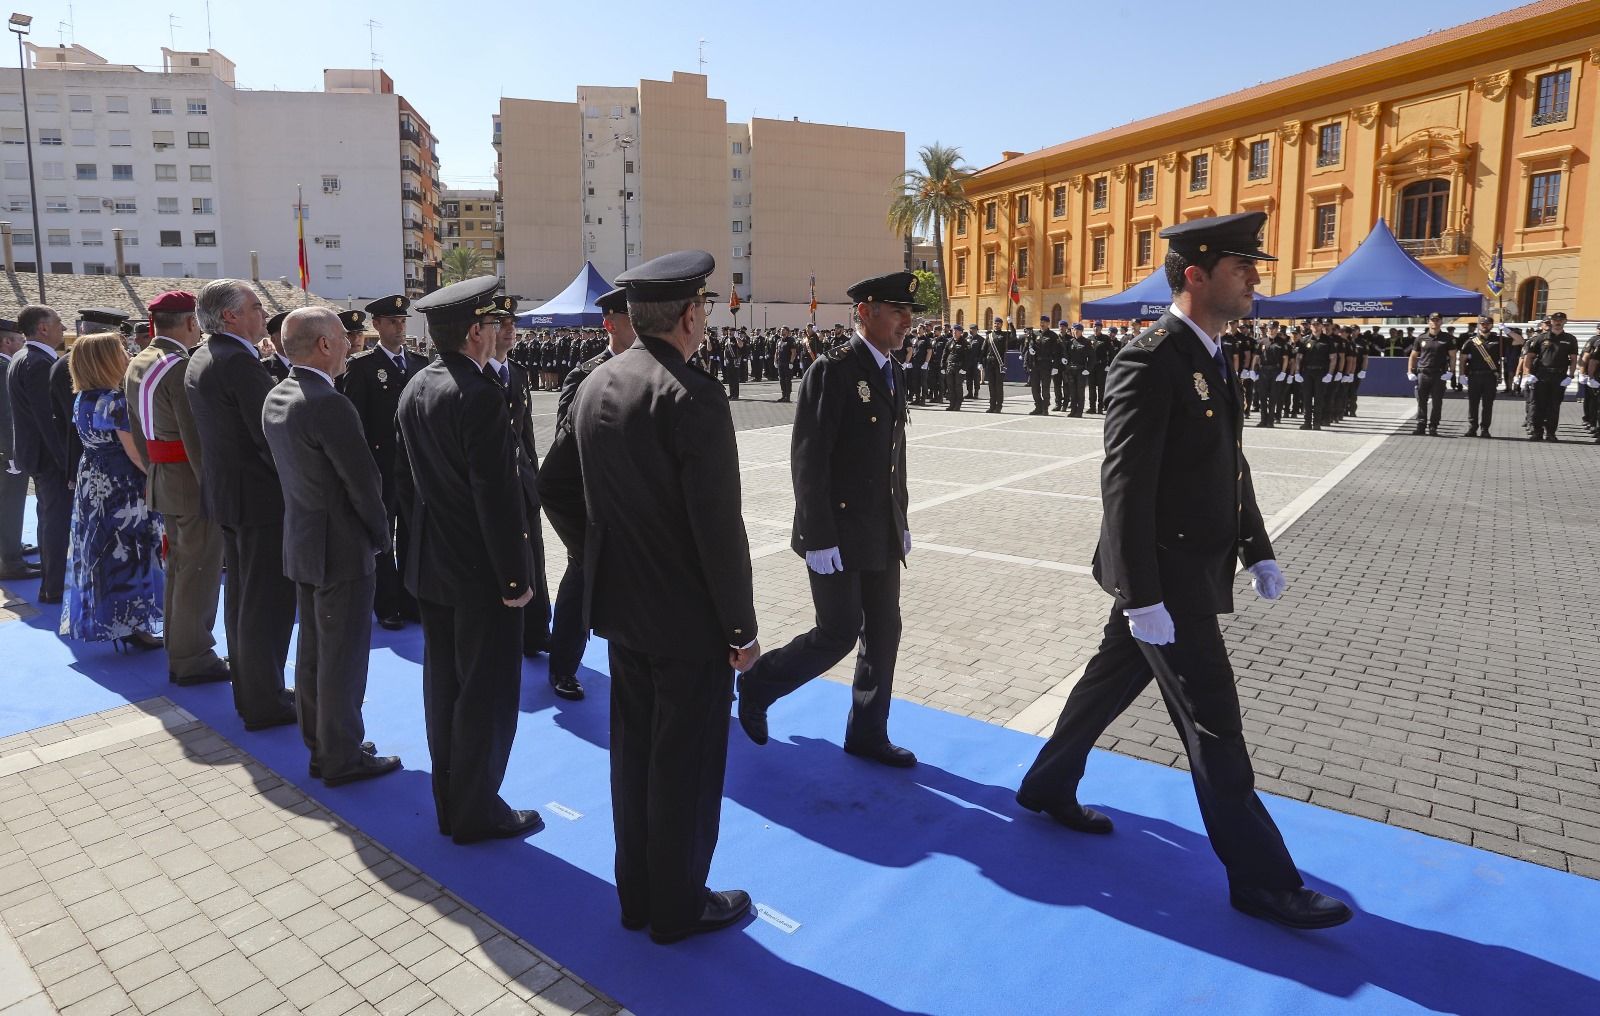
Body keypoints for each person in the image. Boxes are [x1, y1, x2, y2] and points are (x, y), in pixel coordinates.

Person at [1015, 212, 1351, 931]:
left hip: (1189, 572)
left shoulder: (1209, 352)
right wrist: (1141, 596)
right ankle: (1263, 881)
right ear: (1197, 274)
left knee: (1106, 684)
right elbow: (1126, 487)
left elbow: (1229, 464)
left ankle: (1047, 784)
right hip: (1166, 582)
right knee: (1215, 727)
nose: (1256, 276)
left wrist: (1256, 544)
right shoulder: (1150, 357)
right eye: (1242, 267)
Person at [540, 250, 757, 945]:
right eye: (705, 309)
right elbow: (718, 528)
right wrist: (741, 626)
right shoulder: (692, 395)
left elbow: (554, 488)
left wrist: (595, 552)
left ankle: (637, 894)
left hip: (622, 608)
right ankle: (677, 904)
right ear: (690, 315)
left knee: (632, 758)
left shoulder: (598, 381)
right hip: (688, 619)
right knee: (685, 767)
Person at [738, 270, 916, 767]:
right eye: (897, 310)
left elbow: (891, 460)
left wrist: (899, 520)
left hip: (879, 529)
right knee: (838, 632)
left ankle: (867, 732)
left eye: (910, 313)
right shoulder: (833, 370)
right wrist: (817, 534)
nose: (906, 321)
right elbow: (808, 459)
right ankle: (758, 684)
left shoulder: (893, 372)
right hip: (835, 531)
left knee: (884, 632)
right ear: (866, 311)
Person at [394, 275, 542, 845]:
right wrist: (515, 577)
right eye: (492, 324)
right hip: (480, 571)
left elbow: (410, 487)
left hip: (432, 563)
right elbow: (496, 496)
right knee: (486, 693)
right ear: (476, 331)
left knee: (445, 690)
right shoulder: (478, 394)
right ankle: (477, 809)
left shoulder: (416, 387)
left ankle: (452, 801)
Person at [263, 307, 400, 786]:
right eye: (344, 337)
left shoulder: (278, 394)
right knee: (342, 657)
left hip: (303, 541)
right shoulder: (327, 402)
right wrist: (382, 536)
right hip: (341, 548)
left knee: (316, 652)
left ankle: (324, 744)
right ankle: (341, 756)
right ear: (323, 345)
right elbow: (363, 482)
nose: (351, 343)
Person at [185, 280, 299, 731]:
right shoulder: (238, 363)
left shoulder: (207, 355)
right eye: (255, 306)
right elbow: (270, 436)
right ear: (230, 316)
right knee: (264, 604)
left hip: (233, 496)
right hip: (259, 501)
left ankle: (256, 687)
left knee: (244, 600)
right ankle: (263, 700)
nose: (264, 314)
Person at [123, 291, 229, 685]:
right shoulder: (177, 366)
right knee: (197, 572)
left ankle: (180, 645)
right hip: (190, 480)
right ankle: (192, 656)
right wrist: (213, 490)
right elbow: (195, 438)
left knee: (181, 568)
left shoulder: (138, 361)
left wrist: (155, 470)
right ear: (189, 323)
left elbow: (137, 431)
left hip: (163, 477)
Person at [538, 286, 636, 702]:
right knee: (580, 582)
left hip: (634, 510)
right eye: (631, 317)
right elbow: (567, 450)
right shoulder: (587, 374)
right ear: (610, 323)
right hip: (594, 507)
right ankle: (563, 667)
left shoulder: (656, 369)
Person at [59, 331, 164, 650]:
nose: (127, 354)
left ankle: (109, 619)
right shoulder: (115, 401)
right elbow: (136, 454)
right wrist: (160, 480)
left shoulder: (83, 398)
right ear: (106, 360)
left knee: (98, 551)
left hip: (93, 481)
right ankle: (134, 624)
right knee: (131, 552)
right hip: (122, 487)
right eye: (120, 351)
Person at [340, 295, 427, 630]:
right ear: (376, 324)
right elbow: (355, 422)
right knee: (382, 537)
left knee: (413, 534)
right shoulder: (361, 366)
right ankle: (387, 603)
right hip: (381, 466)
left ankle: (411, 598)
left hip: (414, 468)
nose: (399, 327)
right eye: (392, 321)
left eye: (402, 321)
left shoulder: (420, 363)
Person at [484, 296, 552, 660]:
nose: (510, 329)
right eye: (500, 323)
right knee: (506, 557)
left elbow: (525, 435)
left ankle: (538, 630)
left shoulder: (519, 373)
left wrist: (534, 478)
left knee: (535, 556)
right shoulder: (476, 377)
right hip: (495, 486)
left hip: (523, 479)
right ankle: (511, 630)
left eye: (512, 323)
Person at [7, 306, 71, 603]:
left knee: (48, 518)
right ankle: (53, 587)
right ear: (43, 328)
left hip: (37, 454)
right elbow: (48, 419)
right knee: (55, 521)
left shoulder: (24, 357)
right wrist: (65, 461)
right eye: (58, 323)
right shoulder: (38, 362)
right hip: (48, 457)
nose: (62, 328)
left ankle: (50, 582)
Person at [0, 320, 39, 581]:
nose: (22, 345)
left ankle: (10, 547)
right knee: (10, 504)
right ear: (7, 342)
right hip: (6, 453)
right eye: (19, 340)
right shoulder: (4, 366)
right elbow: (7, 415)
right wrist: (13, 452)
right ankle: (9, 562)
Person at [1522, 312, 1578, 441]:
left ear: (1565, 321)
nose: (1558, 322)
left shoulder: (1570, 339)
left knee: (1554, 405)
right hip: (1541, 374)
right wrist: (1527, 373)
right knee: (1538, 404)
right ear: (1551, 322)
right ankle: (1537, 432)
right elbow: (1529, 356)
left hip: (1559, 376)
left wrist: (1570, 376)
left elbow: (1573, 359)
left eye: (1561, 320)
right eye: (1555, 320)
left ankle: (1551, 433)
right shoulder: (1540, 338)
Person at [1407, 313, 1454, 436]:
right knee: (1421, 400)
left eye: (1437, 320)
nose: (1435, 322)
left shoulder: (1447, 338)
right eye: (1432, 320)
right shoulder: (1421, 338)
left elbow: (1453, 356)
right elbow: (1413, 356)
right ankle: (1421, 426)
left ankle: (1433, 426)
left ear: (1441, 322)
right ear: (1428, 322)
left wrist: (1451, 372)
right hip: (1423, 373)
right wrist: (1410, 371)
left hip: (1439, 374)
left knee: (1437, 402)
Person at [1458, 316, 1502, 438]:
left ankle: (1485, 429)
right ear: (1478, 325)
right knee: (1473, 403)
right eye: (1482, 323)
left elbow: (1519, 341)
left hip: (1490, 377)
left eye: (1487, 323)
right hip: (1474, 376)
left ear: (1492, 325)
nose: (1484, 325)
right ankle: (1472, 428)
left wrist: (1508, 331)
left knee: (1488, 404)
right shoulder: (1471, 341)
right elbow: (1462, 359)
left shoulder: (1499, 340)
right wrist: (1461, 375)